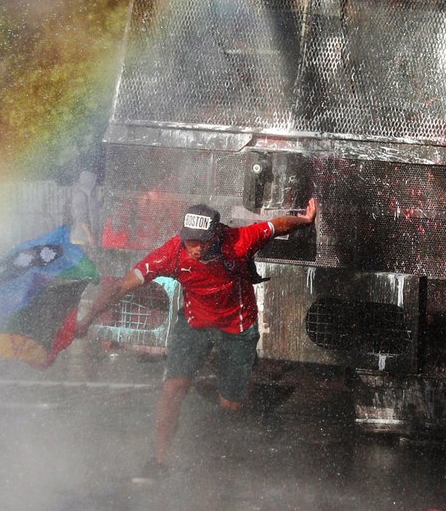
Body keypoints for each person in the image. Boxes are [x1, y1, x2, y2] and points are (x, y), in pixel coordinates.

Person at [75, 197, 318, 481]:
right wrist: (88, 319)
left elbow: (276, 226)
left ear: (216, 234)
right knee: (172, 390)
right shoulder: (172, 253)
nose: (197, 248)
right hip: (194, 323)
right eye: (191, 241)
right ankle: (160, 461)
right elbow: (120, 287)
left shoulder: (238, 241)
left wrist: (305, 220)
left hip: (236, 327)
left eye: (202, 241)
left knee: (231, 405)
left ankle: (253, 395)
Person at [68, 170, 99, 248]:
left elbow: (91, 211)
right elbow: (81, 218)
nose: (95, 184)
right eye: (93, 181)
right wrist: (89, 236)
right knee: (83, 259)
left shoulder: (87, 195)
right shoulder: (80, 195)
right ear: (89, 181)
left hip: (86, 238)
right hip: (80, 238)